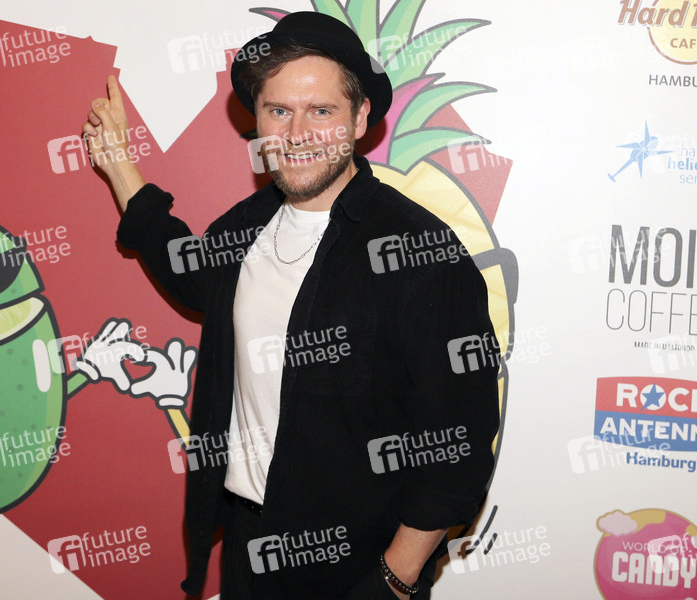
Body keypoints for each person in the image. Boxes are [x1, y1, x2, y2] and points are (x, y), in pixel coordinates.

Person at [82, 11, 499, 600]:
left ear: (359, 119)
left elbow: (460, 444)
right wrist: (119, 164)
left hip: (359, 569)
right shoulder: (250, 224)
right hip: (249, 546)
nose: (297, 132)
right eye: (278, 111)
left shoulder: (418, 251)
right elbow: (189, 273)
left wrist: (393, 581)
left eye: (320, 111)